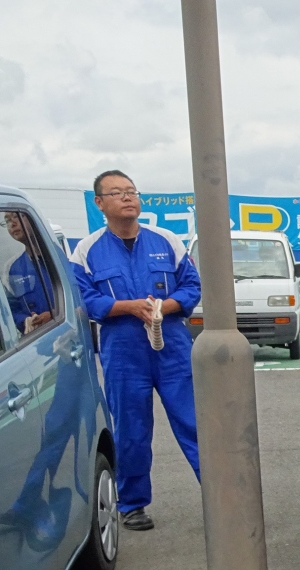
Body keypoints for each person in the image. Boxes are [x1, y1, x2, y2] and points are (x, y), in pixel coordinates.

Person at [70, 170, 202, 531]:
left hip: (172, 347)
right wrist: (129, 307)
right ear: (100, 203)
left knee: (196, 425)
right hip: (124, 354)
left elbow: (192, 286)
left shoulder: (167, 240)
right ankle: (131, 504)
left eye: (132, 191)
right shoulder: (87, 251)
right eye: (117, 192)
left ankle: (221, 497)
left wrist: (165, 307)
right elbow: (84, 298)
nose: (128, 198)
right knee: (130, 432)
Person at [0, 211, 54, 335]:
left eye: (16, 216)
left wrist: (54, 314)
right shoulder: (12, 268)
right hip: (37, 340)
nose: (12, 224)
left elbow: (79, 299)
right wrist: (26, 321)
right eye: (7, 220)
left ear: (33, 218)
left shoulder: (58, 257)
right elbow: (11, 308)